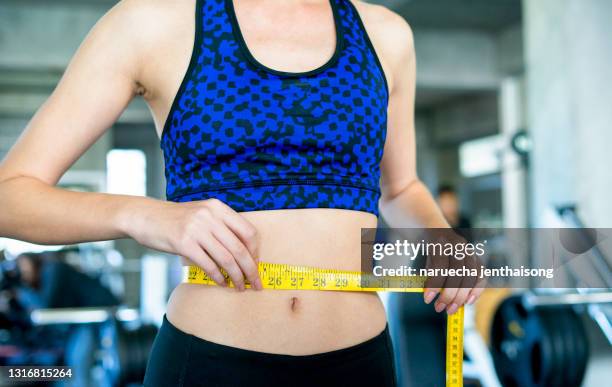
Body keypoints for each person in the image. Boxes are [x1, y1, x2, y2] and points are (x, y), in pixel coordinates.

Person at [0, 1, 483, 385]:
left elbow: (399, 187)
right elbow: (11, 195)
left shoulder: (386, 34)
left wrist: (440, 238)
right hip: (210, 360)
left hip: (359, 363)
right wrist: (146, 216)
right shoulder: (151, 22)